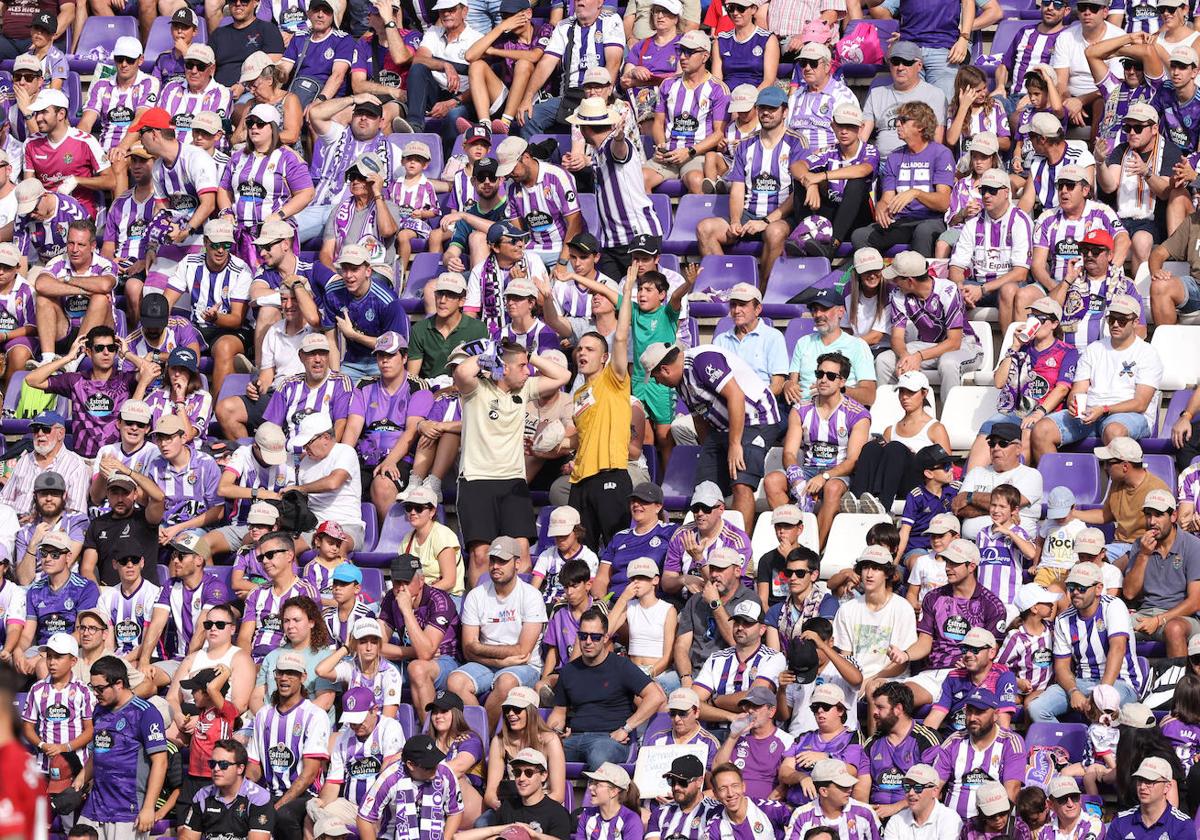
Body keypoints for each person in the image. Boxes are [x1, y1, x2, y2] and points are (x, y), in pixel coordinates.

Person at [454, 339, 570, 583]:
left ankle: (520, 609)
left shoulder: (525, 388)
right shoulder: (477, 389)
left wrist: (529, 354)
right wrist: (487, 352)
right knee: (480, 555)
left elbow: (563, 376)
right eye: (523, 366)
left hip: (513, 482)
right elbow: (462, 372)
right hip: (477, 481)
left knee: (521, 552)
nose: (528, 371)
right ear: (504, 368)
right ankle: (480, 613)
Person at [644, 341, 779, 532]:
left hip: (757, 417)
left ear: (665, 369)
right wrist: (708, 452)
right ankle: (710, 544)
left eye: (656, 377)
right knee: (704, 489)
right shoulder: (680, 383)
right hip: (721, 428)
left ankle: (741, 548)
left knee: (741, 482)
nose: (658, 383)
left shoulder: (703, 360)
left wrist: (734, 445)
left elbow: (736, 396)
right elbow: (699, 419)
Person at [1030, 295, 1162, 460]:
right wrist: (1074, 403)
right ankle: (1057, 482)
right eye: (1111, 319)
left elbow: (1140, 404)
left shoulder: (1147, 353)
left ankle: (1117, 485)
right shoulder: (1094, 349)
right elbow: (1078, 389)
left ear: (1135, 322)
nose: (1115, 324)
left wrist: (1104, 409)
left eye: (1121, 320)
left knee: (1114, 431)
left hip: (1129, 415)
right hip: (1090, 412)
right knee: (1042, 430)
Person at [447, 536, 548, 726]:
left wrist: (480, 648)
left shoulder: (531, 596)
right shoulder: (476, 595)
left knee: (506, 682)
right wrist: (496, 659)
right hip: (486, 664)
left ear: (517, 563)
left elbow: (522, 651)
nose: (495, 566)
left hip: (525, 666)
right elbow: (468, 649)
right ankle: (479, 737)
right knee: (455, 681)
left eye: (502, 561)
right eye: (493, 560)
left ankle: (484, 741)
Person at [1028, 562, 1143, 721]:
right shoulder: (1063, 619)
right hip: (1081, 681)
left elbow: (1118, 649)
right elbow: (1061, 666)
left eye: (1081, 588)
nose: (1075, 592)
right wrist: (1073, 691)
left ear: (1098, 588)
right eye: (1071, 586)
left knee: (1102, 706)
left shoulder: (1113, 606)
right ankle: (1062, 746)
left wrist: (1101, 693)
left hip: (1120, 682)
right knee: (1036, 708)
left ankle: (1100, 745)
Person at [875, 250, 983, 405]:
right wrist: (905, 355)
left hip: (965, 345)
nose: (893, 282)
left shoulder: (948, 290)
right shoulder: (899, 294)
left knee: (948, 363)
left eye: (897, 278)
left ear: (910, 281)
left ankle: (948, 420)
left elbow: (954, 342)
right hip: (927, 346)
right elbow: (897, 337)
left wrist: (918, 356)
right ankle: (889, 417)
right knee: (884, 360)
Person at [79, 656, 169, 838]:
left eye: (100, 688)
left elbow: (160, 762)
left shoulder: (145, 713)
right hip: (95, 806)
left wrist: (149, 807)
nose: (95, 693)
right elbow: (97, 752)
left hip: (128, 809)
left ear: (119, 684)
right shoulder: (99, 711)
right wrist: (79, 781)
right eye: (92, 687)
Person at [244, 650, 331, 834]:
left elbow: (309, 774)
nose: (284, 678)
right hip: (269, 793)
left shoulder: (314, 715)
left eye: (291, 673)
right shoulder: (263, 714)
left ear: (303, 677)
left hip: (304, 794)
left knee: (283, 815)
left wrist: (278, 804)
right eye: (280, 672)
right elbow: (253, 768)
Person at [852, 103, 955, 257]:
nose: (897, 124)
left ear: (920, 125)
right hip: (901, 221)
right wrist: (881, 208)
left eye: (903, 120)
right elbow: (887, 199)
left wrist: (916, 193)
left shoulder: (941, 154)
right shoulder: (894, 157)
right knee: (860, 235)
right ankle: (877, 279)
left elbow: (943, 202)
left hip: (931, 220)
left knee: (923, 232)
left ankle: (920, 279)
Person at [1122, 489, 1200, 657]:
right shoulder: (1140, 545)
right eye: (1148, 515)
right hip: (1145, 614)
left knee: (1174, 629)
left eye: (1158, 515)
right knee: (1114, 627)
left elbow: (1195, 602)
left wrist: (1159, 620)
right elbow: (1129, 593)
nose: (1152, 521)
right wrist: (1143, 555)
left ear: (1173, 516)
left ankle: (1177, 682)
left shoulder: (1193, 546)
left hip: (1181, 617)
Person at [356, 734, 465, 840]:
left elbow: (455, 811)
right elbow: (364, 818)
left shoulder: (445, 773)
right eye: (428, 766)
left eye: (435, 761)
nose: (435, 768)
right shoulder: (389, 778)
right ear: (410, 765)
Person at [285, 413, 367, 551]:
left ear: (326, 438)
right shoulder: (305, 462)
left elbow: (333, 482)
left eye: (308, 443)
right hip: (314, 527)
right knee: (285, 550)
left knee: (333, 548)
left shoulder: (345, 451)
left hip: (346, 525)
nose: (305, 448)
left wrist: (299, 489)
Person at [954, 421, 1045, 540]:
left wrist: (970, 497)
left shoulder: (1031, 475)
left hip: (1012, 547)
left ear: (1018, 449)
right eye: (992, 444)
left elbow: (1011, 503)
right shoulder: (976, 472)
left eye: (1003, 443)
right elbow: (958, 507)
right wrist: (1004, 512)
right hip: (972, 547)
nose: (996, 448)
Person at [861, 42, 949, 160]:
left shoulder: (934, 94)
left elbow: (937, 140)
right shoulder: (876, 93)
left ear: (919, 66)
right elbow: (862, 137)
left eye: (907, 62)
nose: (900, 67)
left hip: (918, 161)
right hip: (882, 161)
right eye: (895, 62)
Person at [179, 739, 275, 840]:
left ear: (240, 769)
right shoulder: (202, 796)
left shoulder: (259, 798)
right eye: (212, 764)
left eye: (223, 764)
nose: (216, 769)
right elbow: (187, 837)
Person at [784, 758, 881, 840]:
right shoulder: (801, 815)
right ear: (824, 791)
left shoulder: (865, 812)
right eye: (843, 786)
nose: (850, 789)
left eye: (850, 784)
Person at [1105, 757, 1194, 840]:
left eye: (1150, 781)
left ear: (1167, 787)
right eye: (1140, 780)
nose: (1142, 786)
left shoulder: (1182, 825)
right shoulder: (1121, 821)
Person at [707, 762, 793, 840]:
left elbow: (802, 819)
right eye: (723, 788)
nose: (730, 793)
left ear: (743, 786)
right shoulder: (714, 826)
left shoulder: (768, 809)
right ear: (715, 794)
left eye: (735, 786)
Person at [882, 763, 962, 840]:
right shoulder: (896, 821)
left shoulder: (949, 819)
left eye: (918, 787)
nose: (911, 793)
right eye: (907, 787)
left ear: (934, 791)